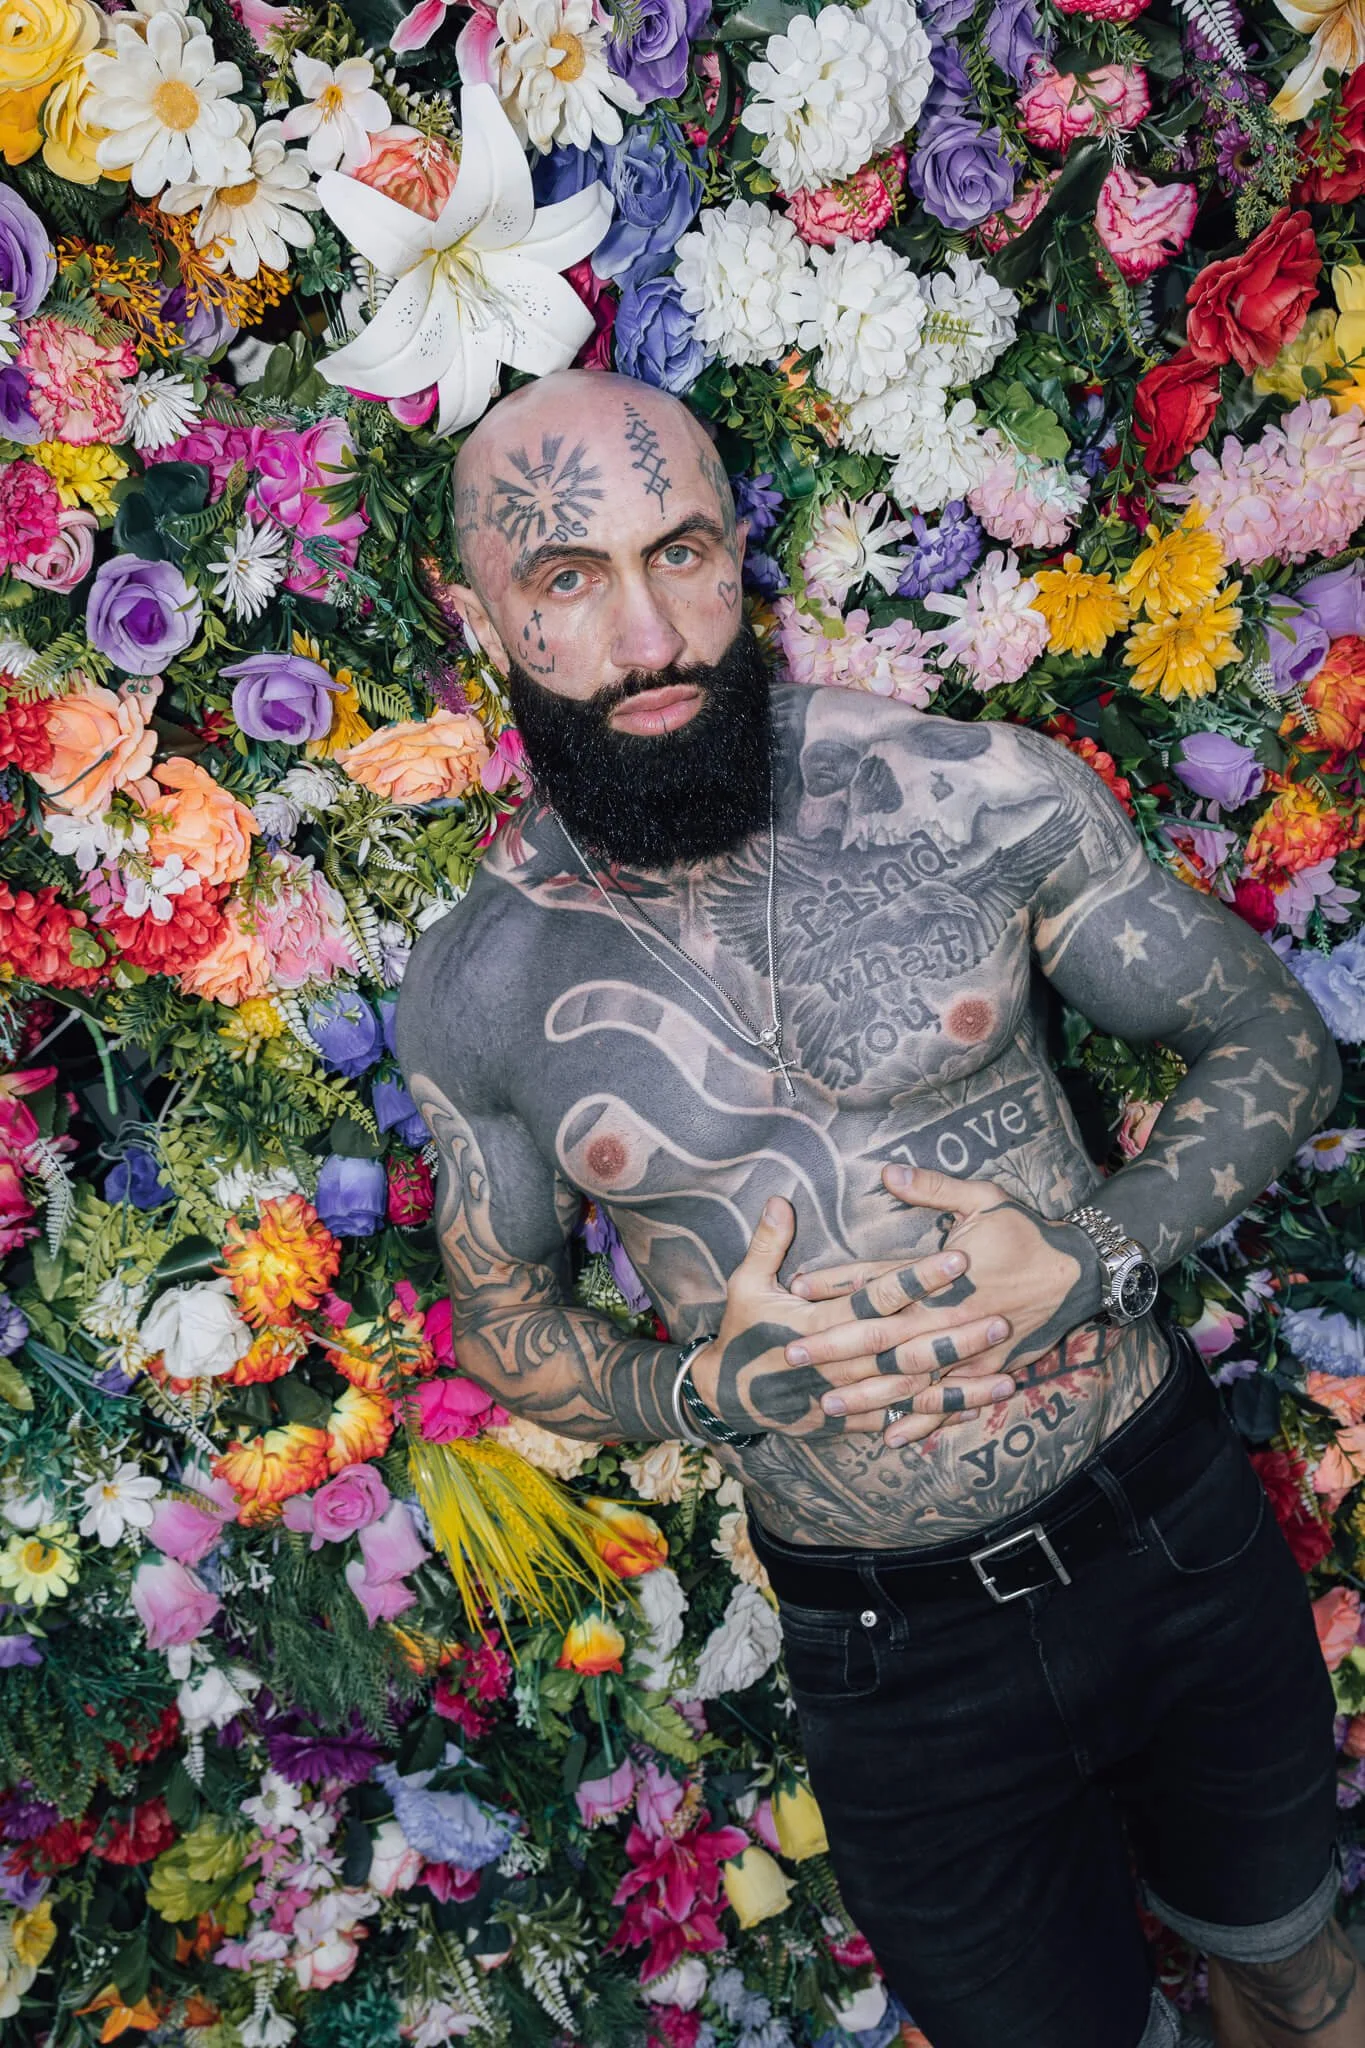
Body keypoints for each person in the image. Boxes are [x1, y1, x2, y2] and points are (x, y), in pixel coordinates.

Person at [396, 368, 1356, 2048]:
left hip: (1169, 1540)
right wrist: (702, 1389)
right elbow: (506, 1320)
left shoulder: (976, 794)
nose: (651, 636)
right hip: (892, 1662)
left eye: (680, 553)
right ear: (476, 618)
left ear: (739, 548)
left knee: (1293, 1969)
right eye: (566, 579)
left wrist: (1099, 1252)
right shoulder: (478, 988)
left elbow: (1273, 1040)